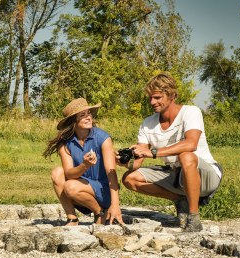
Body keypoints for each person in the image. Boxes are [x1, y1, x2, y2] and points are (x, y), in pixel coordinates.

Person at [121, 73, 222, 232]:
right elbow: (138, 162)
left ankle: (193, 218)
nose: (152, 102)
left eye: (157, 97)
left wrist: (153, 152)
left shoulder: (190, 112)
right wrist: (123, 161)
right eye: (150, 98)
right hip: (176, 174)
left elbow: (191, 143)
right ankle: (181, 200)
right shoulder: (147, 123)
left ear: (172, 95)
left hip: (205, 175)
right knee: (129, 178)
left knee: (186, 155)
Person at [45, 98, 123, 225]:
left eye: (89, 113)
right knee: (57, 172)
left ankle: (102, 213)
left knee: (70, 186)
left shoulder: (103, 138)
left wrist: (115, 205)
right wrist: (84, 165)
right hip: (80, 192)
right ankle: (73, 218)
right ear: (73, 121)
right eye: (83, 115)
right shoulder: (65, 144)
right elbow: (69, 174)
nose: (88, 117)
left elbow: (111, 173)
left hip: (104, 191)